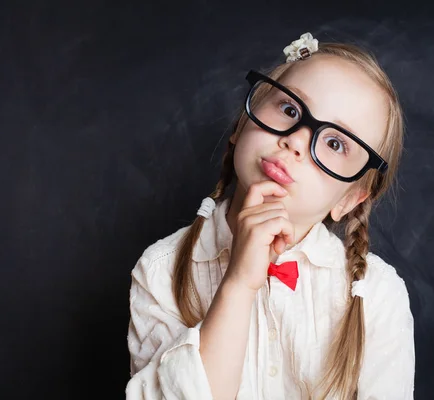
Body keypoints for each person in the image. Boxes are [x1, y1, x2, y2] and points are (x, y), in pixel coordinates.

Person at [125, 32, 415, 400]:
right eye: (290, 110)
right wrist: (239, 284)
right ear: (240, 126)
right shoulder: (160, 270)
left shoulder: (378, 294)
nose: (295, 141)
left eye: (336, 143)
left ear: (350, 200)